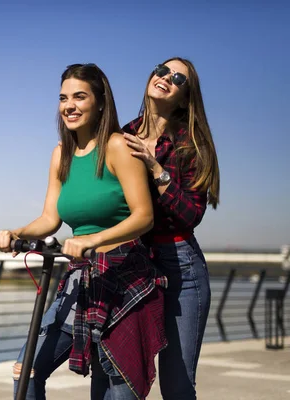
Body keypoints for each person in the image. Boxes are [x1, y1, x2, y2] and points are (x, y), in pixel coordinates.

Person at [0, 63, 167, 400]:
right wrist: (14, 233)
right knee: (26, 371)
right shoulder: (61, 155)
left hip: (124, 277)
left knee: (116, 382)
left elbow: (144, 216)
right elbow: (49, 218)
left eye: (79, 97)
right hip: (79, 278)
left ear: (100, 102)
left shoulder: (118, 147)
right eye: (63, 98)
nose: (69, 105)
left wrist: (92, 239)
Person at [122, 57, 220, 400]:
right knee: (123, 377)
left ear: (184, 96)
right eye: (162, 70)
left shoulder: (191, 144)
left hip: (182, 269)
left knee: (176, 387)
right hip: (133, 265)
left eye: (177, 78)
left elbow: (190, 215)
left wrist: (155, 168)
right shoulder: (122, 136)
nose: (166, 78)